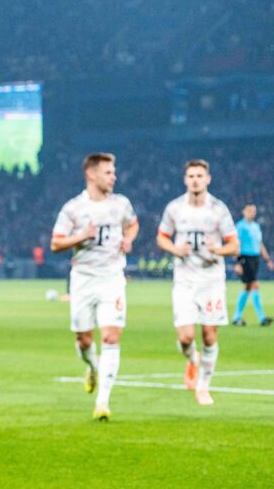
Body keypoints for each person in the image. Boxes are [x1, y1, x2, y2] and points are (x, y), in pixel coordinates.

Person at [50, 152, 138, 421]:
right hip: (84, 280)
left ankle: (103, 402)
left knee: (111, 337)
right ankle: (92, 366)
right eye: (108, 172)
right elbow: (56, 244)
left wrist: (128, 240)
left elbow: (133, 225)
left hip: (112, 278)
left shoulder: (121, 204)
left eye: (113, 172)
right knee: (83, 339)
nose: (114, 177)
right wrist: (81, 236)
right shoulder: (73, 208)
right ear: (91, 174)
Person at [156, 160, 240, 406]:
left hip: (211, 280)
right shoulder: (174, 208)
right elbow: (161, 237)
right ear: (185, 179)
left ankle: (203, 387)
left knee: (209, 336)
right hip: (184, 280)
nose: (195, 180)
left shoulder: (218, 209)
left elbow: (234, 245)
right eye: (191, 175)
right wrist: (174, 248)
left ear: (208, 179)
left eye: (199, 176)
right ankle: (193, 360)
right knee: (185, 337)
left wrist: (220, 250)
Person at [232, 204, 274, 326]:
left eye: (254, 211)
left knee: (248, 287)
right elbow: (236, 244)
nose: (252, 212)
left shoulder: (256, 227)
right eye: (250, 210)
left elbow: (260, 244)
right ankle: (261, 318)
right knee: (254, 285)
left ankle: (237, 317)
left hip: (255, 258)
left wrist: (268, 259)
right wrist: (238, 263)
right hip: (245, 258)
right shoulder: (240, 226)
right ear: (243, 212)